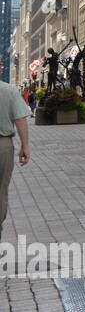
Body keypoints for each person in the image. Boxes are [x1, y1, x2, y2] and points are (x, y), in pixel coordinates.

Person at [0, 79, 32, 240]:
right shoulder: (9, 90)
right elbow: (20, 119)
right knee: (1, 190)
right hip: (2, 145)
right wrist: (25, 146)